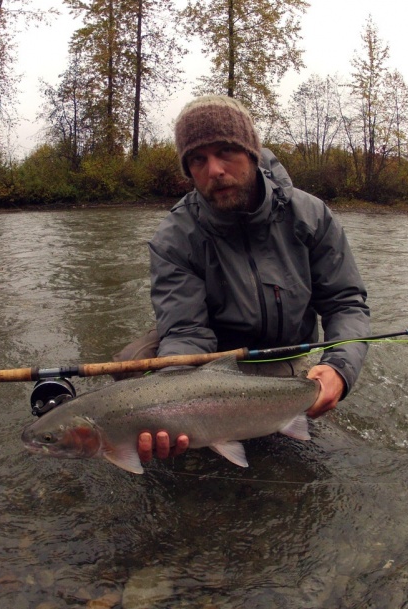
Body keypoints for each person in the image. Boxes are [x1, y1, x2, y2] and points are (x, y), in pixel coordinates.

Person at [119, 95, 370, 463]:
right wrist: (169, 405)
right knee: (134, 373)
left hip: (286, 357)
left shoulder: (310, 216)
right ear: (188, 171)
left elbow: (346, 303)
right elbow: (186, 332)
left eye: (226, 152)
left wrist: (339, 369)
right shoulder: (175, 236)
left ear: (251, 154)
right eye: (198, 160)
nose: (215, 170)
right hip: (209, 366)